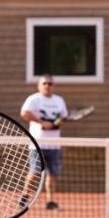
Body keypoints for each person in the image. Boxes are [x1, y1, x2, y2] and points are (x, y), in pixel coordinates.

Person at [21, 74, 69, 209]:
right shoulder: (34, 99)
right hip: (37, 144)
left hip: (54, 145)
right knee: (35, 173)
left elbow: (63, 118)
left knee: (52, 174)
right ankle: (24, 197)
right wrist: (42, 122)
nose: (47, 86)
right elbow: (24, 113)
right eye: (44, 83)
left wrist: (58, 123)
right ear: (39, 86)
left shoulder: (59, 100)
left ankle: (50, 201)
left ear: (53, 86)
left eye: (50, 83)